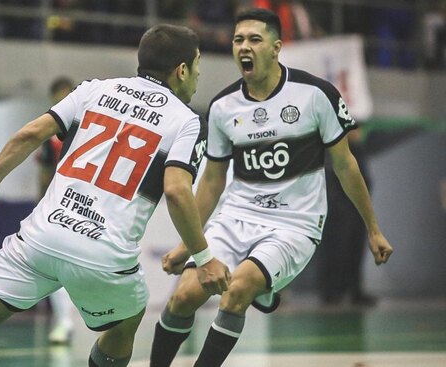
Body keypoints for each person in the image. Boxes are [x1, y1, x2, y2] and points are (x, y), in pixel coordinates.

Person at [0, 23, 231, 367]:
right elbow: (176, 190)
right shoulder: (185, 121)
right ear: (181, 70)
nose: (198, 74)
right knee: (126, 322)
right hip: (102, 255)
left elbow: (27, 135)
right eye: (197, 65)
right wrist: (203, 257)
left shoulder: (94, 90)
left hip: (41, 237)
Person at [148, 8, 394, 367]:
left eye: (254, 39)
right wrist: (187, 244)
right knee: (183, 296)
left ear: (276, 48)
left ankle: (261, 286)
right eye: (238, 40)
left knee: (237, 291)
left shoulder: (315, 94)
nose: (244, 47)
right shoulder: (222, 107)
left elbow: (345, 165)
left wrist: (373, 229)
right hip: (236, 218)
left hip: (294, 224)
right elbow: (213, 181)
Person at [36, 76, 76, 344]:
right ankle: (64, 321)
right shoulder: (50, 135)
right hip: (57, 206)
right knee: (52, 264)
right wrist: (43, 205)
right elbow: (44, 173)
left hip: (90, 206)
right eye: (57, 99)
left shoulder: (91, 126)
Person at [317, 128, 376, 306]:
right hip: (338, 204)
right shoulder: (332, 152)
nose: (358, 132)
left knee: (355, 245)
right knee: (337, 244)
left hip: (355, 208)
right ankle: (332, 291)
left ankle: (355, 290)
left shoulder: (359, 152)